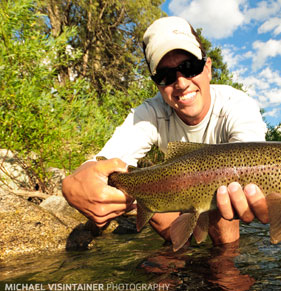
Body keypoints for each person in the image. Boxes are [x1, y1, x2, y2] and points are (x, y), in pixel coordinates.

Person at [62, 16, 269, 246]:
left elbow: (251, 164)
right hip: (171, 193)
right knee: (152, 207)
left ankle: (224, 264)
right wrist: (72, 185)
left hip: (217, 195)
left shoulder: (237, 105)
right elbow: (103, 163)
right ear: (157, 85)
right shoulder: (150, 114)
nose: (181, 83)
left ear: (208, 68)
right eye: (166, 76)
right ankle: (178, 255)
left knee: (224, 201)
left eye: (190, 68)